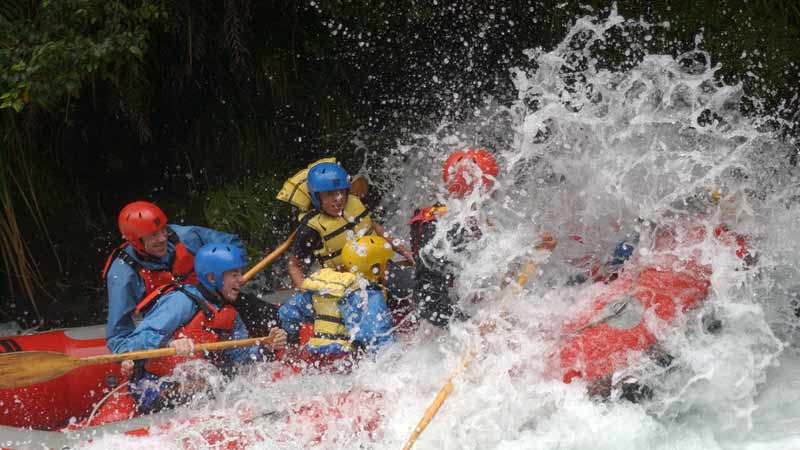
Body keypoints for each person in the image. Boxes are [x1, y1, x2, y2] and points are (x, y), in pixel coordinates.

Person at [119, 243, 287, 414]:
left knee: (233, 382)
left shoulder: (229, 313)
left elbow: (241, 355)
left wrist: (268, 345)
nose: (241, 279)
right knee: (204, 389)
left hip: (196, 384)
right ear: (212, 278)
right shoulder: (181, 301)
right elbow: (135, 341)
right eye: (234, 275)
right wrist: (171, 344)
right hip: (155, 386)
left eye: (240, 274)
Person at [103, 201, 276, 357]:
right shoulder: (123, 276)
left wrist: (227, 277)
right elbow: (119, 337)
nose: (163, 238)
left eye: (163, 229)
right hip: (165, 324)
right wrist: (133, 359)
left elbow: (230, 246)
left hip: (212, 302)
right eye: (153, 235)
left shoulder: (185, 237)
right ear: (136, 242)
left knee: (262, 312)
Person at [286, 161, 414, 288]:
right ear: (316, 197)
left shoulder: (356, 202)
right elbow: (294, 265)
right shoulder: (310, 230)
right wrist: (306, 291)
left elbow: (374, 227)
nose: (338, 198)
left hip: (381, 268)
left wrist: (405, 252)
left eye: (340, 191)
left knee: (412, 285)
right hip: (346, 284)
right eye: (329, 194)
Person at [279, 235, 396, 371]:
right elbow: (377, 336)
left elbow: (288, 311)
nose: (391, 269)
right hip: (346, 360)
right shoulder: (369, 294)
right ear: (375, 268)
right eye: (388, 264)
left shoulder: (326, 287)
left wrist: (292, 343)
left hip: (315, 357)